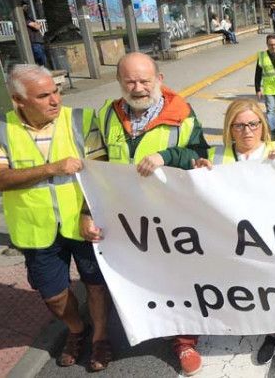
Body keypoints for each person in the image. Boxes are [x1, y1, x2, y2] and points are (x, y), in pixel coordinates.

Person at [96, 53, 209, 375]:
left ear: (159, 79)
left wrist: (167, 155)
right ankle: (144, 325)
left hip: (170, 218)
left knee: (179, 277)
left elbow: (200, 155)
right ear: (119, 83)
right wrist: (88, 210)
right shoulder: (106, 114)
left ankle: (184, 341)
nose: (138, 88)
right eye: (130, 81)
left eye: (145, 80)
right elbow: (93, 163)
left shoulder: (182, 113)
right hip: (124, 218)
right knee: (139, 277)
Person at [0, 64, 111, 371]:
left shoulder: (80, 119)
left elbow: (102, 173)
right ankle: (77, 329)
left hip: (82, 224)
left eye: (56, 91)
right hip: (35, 229)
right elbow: (0, 179)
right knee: (54, 296)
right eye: (44, 96)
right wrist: (51, 168)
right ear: (18, 100)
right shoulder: (1, 127)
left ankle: (100, 337)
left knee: (96, 285)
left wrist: (88, 213)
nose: (55, 100)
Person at [192, 99, 275, 364]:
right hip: (236, 238)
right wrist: (199, 178)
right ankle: (272, 329)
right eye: (239, 125)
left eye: (253, 124)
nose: (247, 131)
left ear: (262, 125)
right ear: (229, 128)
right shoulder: (216, 157)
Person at [255, 34, 275, 140]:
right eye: (270, 45)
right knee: (271, 110)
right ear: (267, 44)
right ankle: (273, 132)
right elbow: (258, 73)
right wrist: (258, 89)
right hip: (269, 88)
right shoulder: (262, 56)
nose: (273, 47)